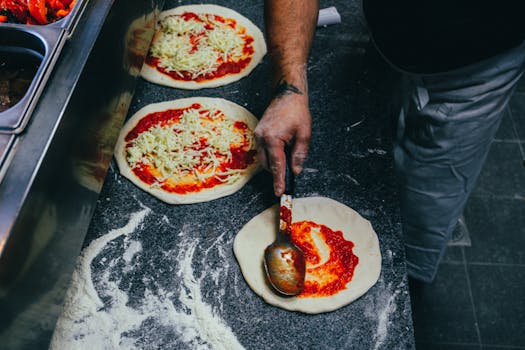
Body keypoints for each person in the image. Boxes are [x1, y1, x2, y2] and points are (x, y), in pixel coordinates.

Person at [254, 0, 525, 283]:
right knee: (369, 155)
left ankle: (404, 286)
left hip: (477, 67)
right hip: (386, 34)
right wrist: (290, 89)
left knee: (427, 206)